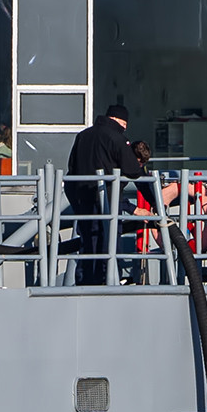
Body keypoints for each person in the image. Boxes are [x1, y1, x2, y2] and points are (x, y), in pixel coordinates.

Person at [64, 102, 145, 284]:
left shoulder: (83, 136)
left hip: (83, 202)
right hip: (107, 203)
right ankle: (107, 282)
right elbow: (133, 170)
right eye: (124, 124)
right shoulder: (116, 138)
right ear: (118, 120)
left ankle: (85, 283)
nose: (124, 128)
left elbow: (72, 169)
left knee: (87, 244)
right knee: (108, 244)